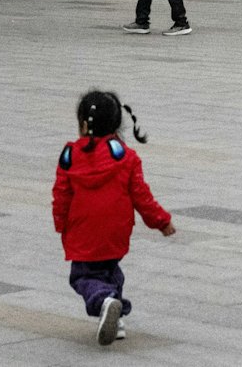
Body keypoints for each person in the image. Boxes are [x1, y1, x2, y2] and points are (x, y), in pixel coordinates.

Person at [54, 89, 176, 348]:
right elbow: (142, 196)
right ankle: (116, 318)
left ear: (83, 124)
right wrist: (161, 221)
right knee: (110, 270)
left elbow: (61, 194)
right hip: (116, 232)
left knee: (82, 276)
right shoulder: (126, 156)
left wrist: (60, 222)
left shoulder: (69, 157)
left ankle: (104, 301)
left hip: (83, 231)